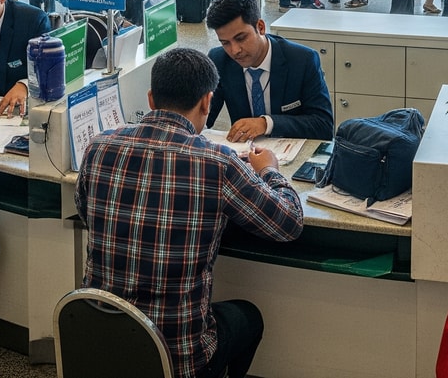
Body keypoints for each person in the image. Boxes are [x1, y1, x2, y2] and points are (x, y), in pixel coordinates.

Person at [77, 47, 303, 378]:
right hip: (177, 355)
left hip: (99, 342)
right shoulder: (218, 162)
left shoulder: (98, 146)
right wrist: (269, 170)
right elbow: (289, 223)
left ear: (151, 99)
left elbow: (84, 212)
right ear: (206, 102)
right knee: (248, 317)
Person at [203, 0, 335, 140]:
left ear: (260, 27)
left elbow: (323, 126)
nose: (235, 51)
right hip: (243, 156)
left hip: (290, 153)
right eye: (225, 43)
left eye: (241, 38)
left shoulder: (302, 60)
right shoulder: (219, 60)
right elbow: (203, 114)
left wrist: (267, 124)